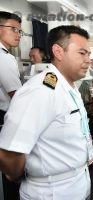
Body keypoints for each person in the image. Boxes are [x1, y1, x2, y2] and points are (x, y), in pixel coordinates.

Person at [0, 25, 93, 200]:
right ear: (58, 51)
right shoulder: (40, 91)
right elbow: (9, 153)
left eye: (88, 54)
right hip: (51, 191)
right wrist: (16, 175)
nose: (88, 60)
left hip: (77, 184)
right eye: (82, 53)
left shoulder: (69, 87)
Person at [0, 11, 23, 200]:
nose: (18, 34)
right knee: (11, 171)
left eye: (20, 31)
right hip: (5, 117)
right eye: (13, 29)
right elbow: (16, 95)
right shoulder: (3, 57)